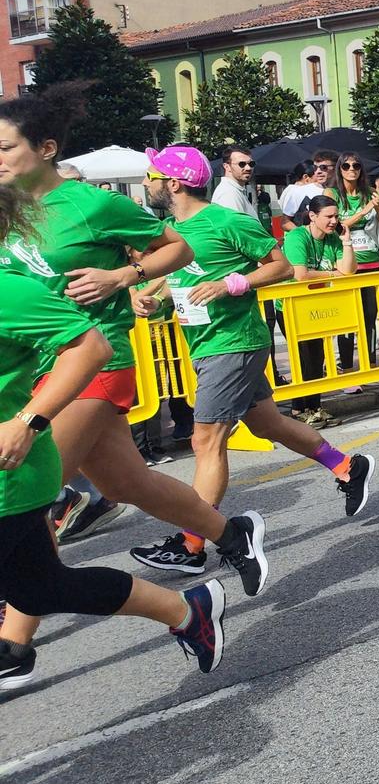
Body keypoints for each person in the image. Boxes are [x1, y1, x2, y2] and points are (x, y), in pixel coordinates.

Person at [0, 89, 268, 670]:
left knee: (31, 495)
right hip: (35, 370)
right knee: (127, 484)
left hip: (95, 358)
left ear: (45, 149)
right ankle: (231, 533)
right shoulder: (7, 213)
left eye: (4, 148)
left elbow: (177, 246)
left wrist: (123, 274)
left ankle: (15, 642)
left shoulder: (90, 205)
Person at [0, 215, 226, 691]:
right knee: (44, 587)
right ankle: (187, 610)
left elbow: (91, 346)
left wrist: (26, 422)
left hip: (10, 480)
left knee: (131, 483)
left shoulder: (9, 289)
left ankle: (224, 535)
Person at [134, 146, 373, 577]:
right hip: (205, 342)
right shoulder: (168, 230)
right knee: (268, 424)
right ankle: (346, 465)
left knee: (206, 442)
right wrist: (154, 301)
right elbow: (177, 284)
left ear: (172, 182)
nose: (145, 183)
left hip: (234, 342)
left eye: (150, 174)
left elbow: (280, 264)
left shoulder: (226, 220)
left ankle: (192, 544)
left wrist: (233, 283)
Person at [281, 195, 356, 428]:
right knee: (304, 357)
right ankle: (298, 408)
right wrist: (334, 274)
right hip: (291, 304)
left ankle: (314, 407)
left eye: (336, 216)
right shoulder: (297, 237)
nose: (334, 221)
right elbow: (300, 274)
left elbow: (349, 270)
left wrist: (346, 241)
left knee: (318, 357)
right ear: (313, 216)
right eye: (329, 216)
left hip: (318, 305)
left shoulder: (333, 238)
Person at [332, 152, 379, 372]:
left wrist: (377, 208)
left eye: (356, 165)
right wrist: (364, 210)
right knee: (348, 318)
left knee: (369, 316)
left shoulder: (370, 193)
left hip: (372, 262)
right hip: (346, 264)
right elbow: (338, 225)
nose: (351, 169)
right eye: (346, 166)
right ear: (340, 169)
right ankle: (347, 367)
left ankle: (371, 365)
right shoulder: (333, 194)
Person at [210, 146, 258, 219]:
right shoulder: (228, 193)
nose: (248, 168)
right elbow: (235, 228)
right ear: (227, 167)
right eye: (242, 164)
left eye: (251, 164)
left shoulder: (235, 190)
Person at [276, 160, 322, 231]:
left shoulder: (291, 189)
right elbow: (286, 220)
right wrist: (303, 234)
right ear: (306, 177)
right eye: (316, 179)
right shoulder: (293, 191)